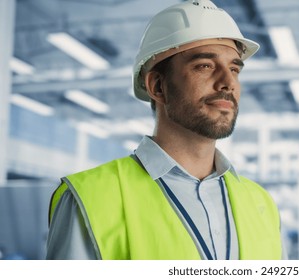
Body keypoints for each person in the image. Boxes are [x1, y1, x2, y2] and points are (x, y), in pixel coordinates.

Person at [46, 0, 284, 260]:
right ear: (158, 87)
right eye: (204, 65)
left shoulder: (261, 203)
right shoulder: (89, 198)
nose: (228, 83)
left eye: (234, 69)